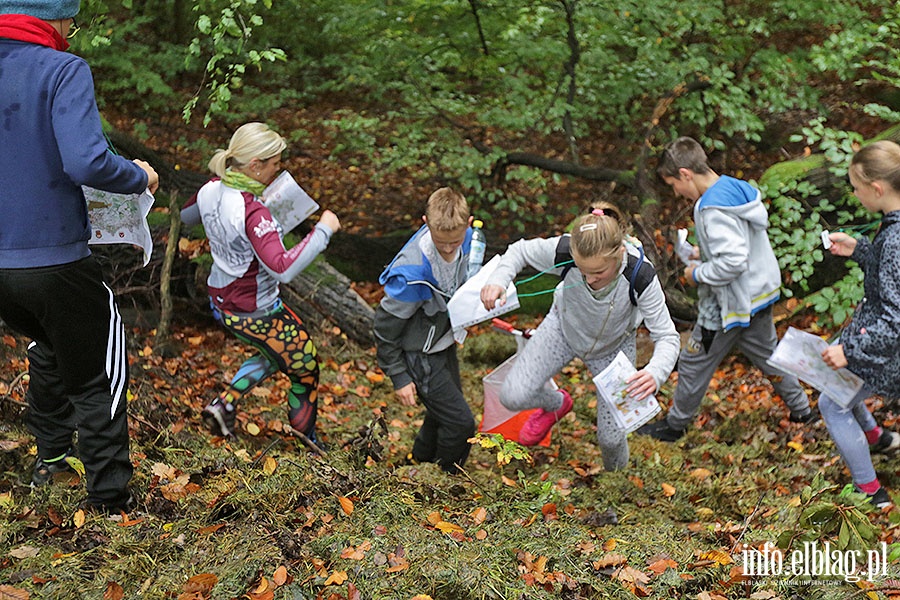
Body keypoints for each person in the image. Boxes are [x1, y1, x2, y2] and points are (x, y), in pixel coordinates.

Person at [0, 0, 159, 513]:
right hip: (56, 260)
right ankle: (110, 499)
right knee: (99, 365)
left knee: (48, 344)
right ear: (53, 18)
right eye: (71, 19)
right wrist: (139, 175)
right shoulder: (62, 68)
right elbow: (86, 159)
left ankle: (49, 460)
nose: (72, 28)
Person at [638, 136, 814, 442]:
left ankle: (674, 426)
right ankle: (803, 410)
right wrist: (702, 253)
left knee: (694, 360)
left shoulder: (711, 209)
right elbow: (739, 242)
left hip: (729, 305)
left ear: (685, 174)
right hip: (759, 294)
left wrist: (697, 273)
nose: (676, 193)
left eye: (673, 185)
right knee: (768, 355)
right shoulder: (734, 188)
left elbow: (733, 261)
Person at [480, 204, 681, 471]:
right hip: (562, 329)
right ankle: (557, 403)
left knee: (611, 438)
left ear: (619, 254)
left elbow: (668, 336)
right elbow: (519, 250)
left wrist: (655, 372)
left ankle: (615, 482)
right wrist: (498, 280)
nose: (589, 279)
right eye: (582, 270)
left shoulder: (640, 275)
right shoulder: (565, 249)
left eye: (598, 273)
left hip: (613, 349)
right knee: (513, 395)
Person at [181, 123, 340, 446]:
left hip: (222, 299)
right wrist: (323, 230)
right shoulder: (254, 213)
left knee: (279, 352)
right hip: (256, 308)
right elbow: (282, 267)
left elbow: (186, 218)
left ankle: (224, 404)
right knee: (305, 367)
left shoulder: (211, 188)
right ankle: (307, 441)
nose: (279, 168)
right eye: (274, 163)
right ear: (255, 165)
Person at [819, 140, 900, 508]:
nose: (853, 193)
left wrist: (849, 349)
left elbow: (894, 318)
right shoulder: (893, 228)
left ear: (877, 189)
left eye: (856, 186)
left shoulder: (896, 238)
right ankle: (876, 437)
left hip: (885, 348)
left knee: (831, 401)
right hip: (878, 338)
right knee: (840, 384)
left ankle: (871, 492)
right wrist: (860, 249)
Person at [374, 188, 477, 474]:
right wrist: (399, 376)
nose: (448, 249)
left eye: (454, 242)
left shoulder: (470, 240)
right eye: (441, 242)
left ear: (467, 225)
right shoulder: (411, 274)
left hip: (443, 342)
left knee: (441, 411)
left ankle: (419, 460)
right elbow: (384, 329)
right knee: (461, 423)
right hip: (420, 353)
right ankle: (443, 476)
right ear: (425, 223)